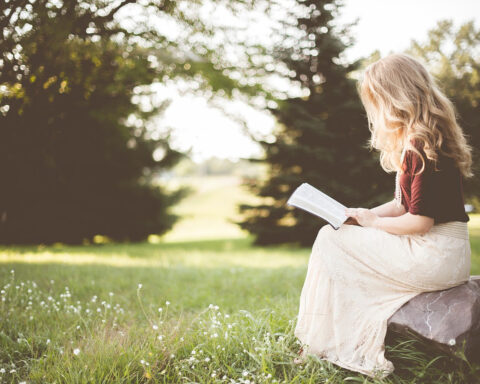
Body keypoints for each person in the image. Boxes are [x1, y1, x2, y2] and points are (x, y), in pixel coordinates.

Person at [293, 53, 474, 378]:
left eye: (377, 100)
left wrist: (373, 224)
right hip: (443, 252)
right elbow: (401, 206)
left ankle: (320, 343)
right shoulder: (422, 138)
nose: (375, 111)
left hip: (434, 253)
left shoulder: (421, 143)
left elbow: (419, 222)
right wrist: (359, 214)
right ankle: (321, 340)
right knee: (336, 235)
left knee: (328, 239)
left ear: (395, 97)